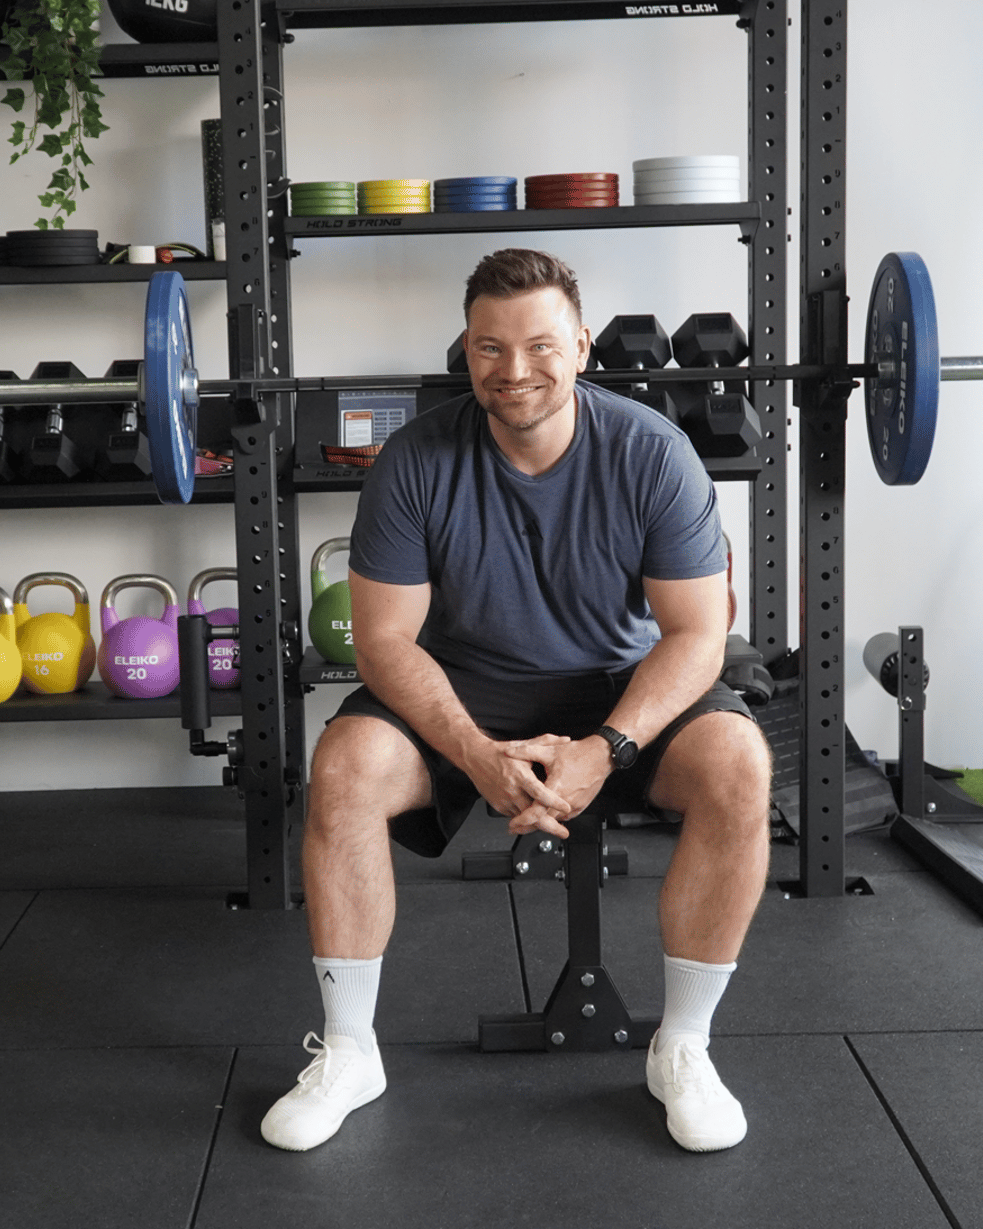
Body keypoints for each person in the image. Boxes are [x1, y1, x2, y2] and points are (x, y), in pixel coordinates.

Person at [260, 248, 772, 1155]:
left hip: (618, 688)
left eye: (539, 344)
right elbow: (382, 642)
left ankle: (683, 1047)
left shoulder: (654, 454)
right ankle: (349, 1049)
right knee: (342, 767)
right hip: (466, 687)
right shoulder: (415, 460)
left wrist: (606, 747)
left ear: (580, 345)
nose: (515, 370)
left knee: (738, 761)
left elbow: (697, 634)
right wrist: (471, 751)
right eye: (489, 348)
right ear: (467, 352)